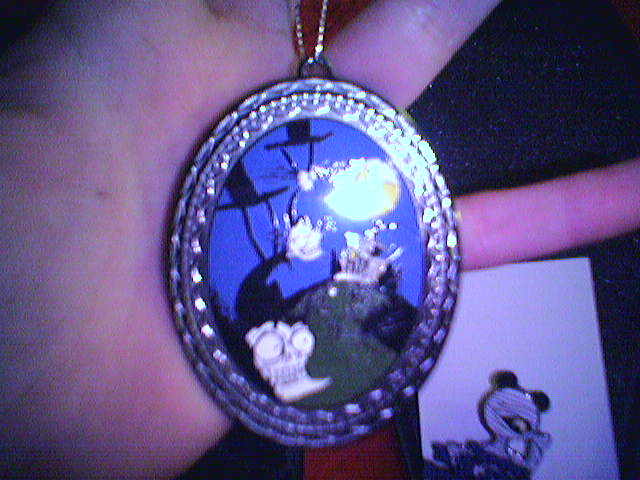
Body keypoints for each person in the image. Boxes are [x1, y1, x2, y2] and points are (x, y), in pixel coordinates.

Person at [0, 1, 638, 478]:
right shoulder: (297, 299)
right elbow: (261, 302)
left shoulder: (367, 313)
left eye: (368, 256)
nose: (355, 255)